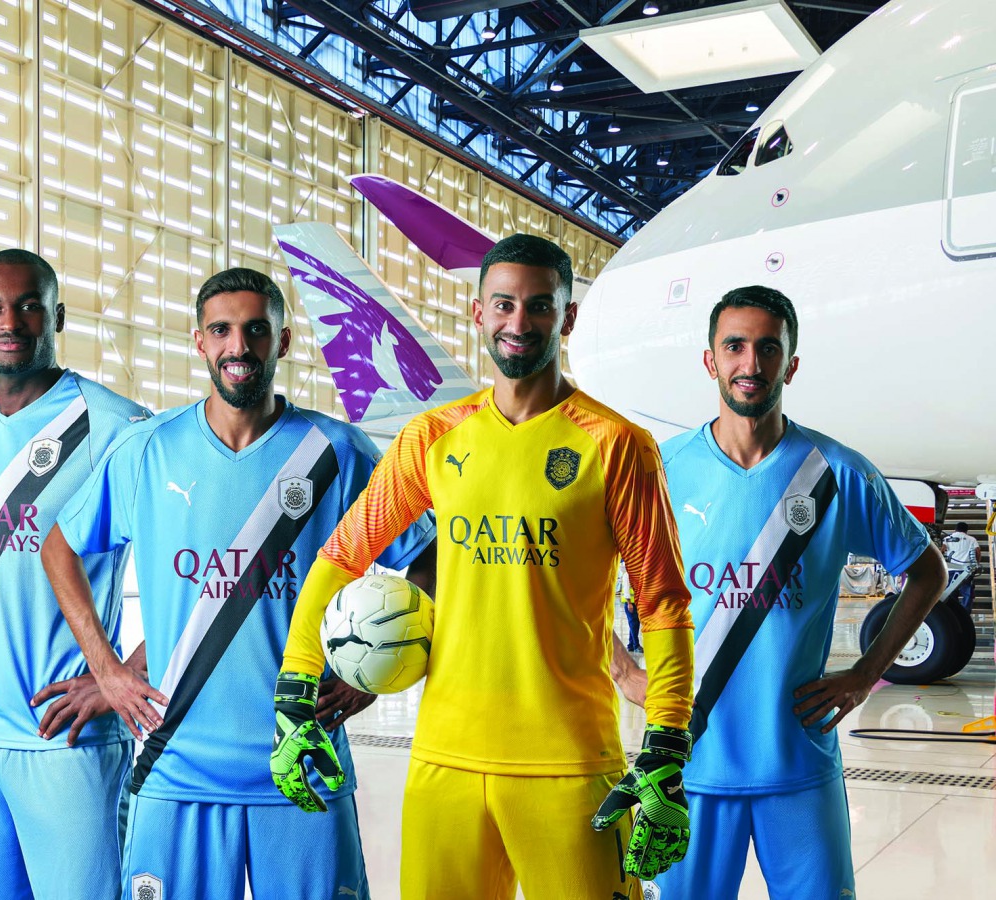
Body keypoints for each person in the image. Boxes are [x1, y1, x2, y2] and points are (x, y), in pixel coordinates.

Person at [270, 234, 696, 899]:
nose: (518, 323)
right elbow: (341, 556)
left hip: (571, 764)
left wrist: (667, 747)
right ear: (478, 313)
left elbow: (664, 603)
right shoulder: (433, 438)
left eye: (538, 307)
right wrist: (295, 690)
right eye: (503, 305)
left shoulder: (617, 446)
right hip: (445, 762)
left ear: (568, 317)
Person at [41, 267, 435, 900]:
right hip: (175, 767)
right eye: (222, 330)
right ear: (200, 341)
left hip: (303, 761)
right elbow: (58, 546)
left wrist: (373, 677)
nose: (239, 346)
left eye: (256, 329)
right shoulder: (148, 450)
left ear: (282, 340)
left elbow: (431, 559)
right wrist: (107, 669)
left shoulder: (337, 451)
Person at [636, 285, 947, 900]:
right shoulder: (661, 470)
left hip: (798, 763)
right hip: (687, 766)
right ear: (710, 360)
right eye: (735, 346)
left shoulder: (837, 471)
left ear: (791, 364)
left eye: (768, 348)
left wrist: (866, 671)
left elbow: (929, 572)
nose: (750, 364)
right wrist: (622, 668)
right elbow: (589, 577)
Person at [0, 249, 150, 899]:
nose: (9, 320)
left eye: (28, 305)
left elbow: (189, 566)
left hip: (65, 743)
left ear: (57, 316)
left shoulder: (118, 427)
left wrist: (124, 674)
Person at [943, 521, 981, 610]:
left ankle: (953, 612)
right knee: (967, 593)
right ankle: (965, 613)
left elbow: (942, 551)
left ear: (955, 529)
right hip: (966, 571)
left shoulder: (947, 539)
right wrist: (977, 565)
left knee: (950, 593)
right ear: (966, 530)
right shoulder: (971, 539)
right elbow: (978, 552)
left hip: (951, 570)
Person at [618, 560, 643, 652]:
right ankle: (636, 645)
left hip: (634, 603)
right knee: (633, 624)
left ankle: (630, 645)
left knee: (634, 624)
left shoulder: (632, 575)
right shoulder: (627, 575)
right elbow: (627, 590)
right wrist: (629, 603)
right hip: (630, 604)